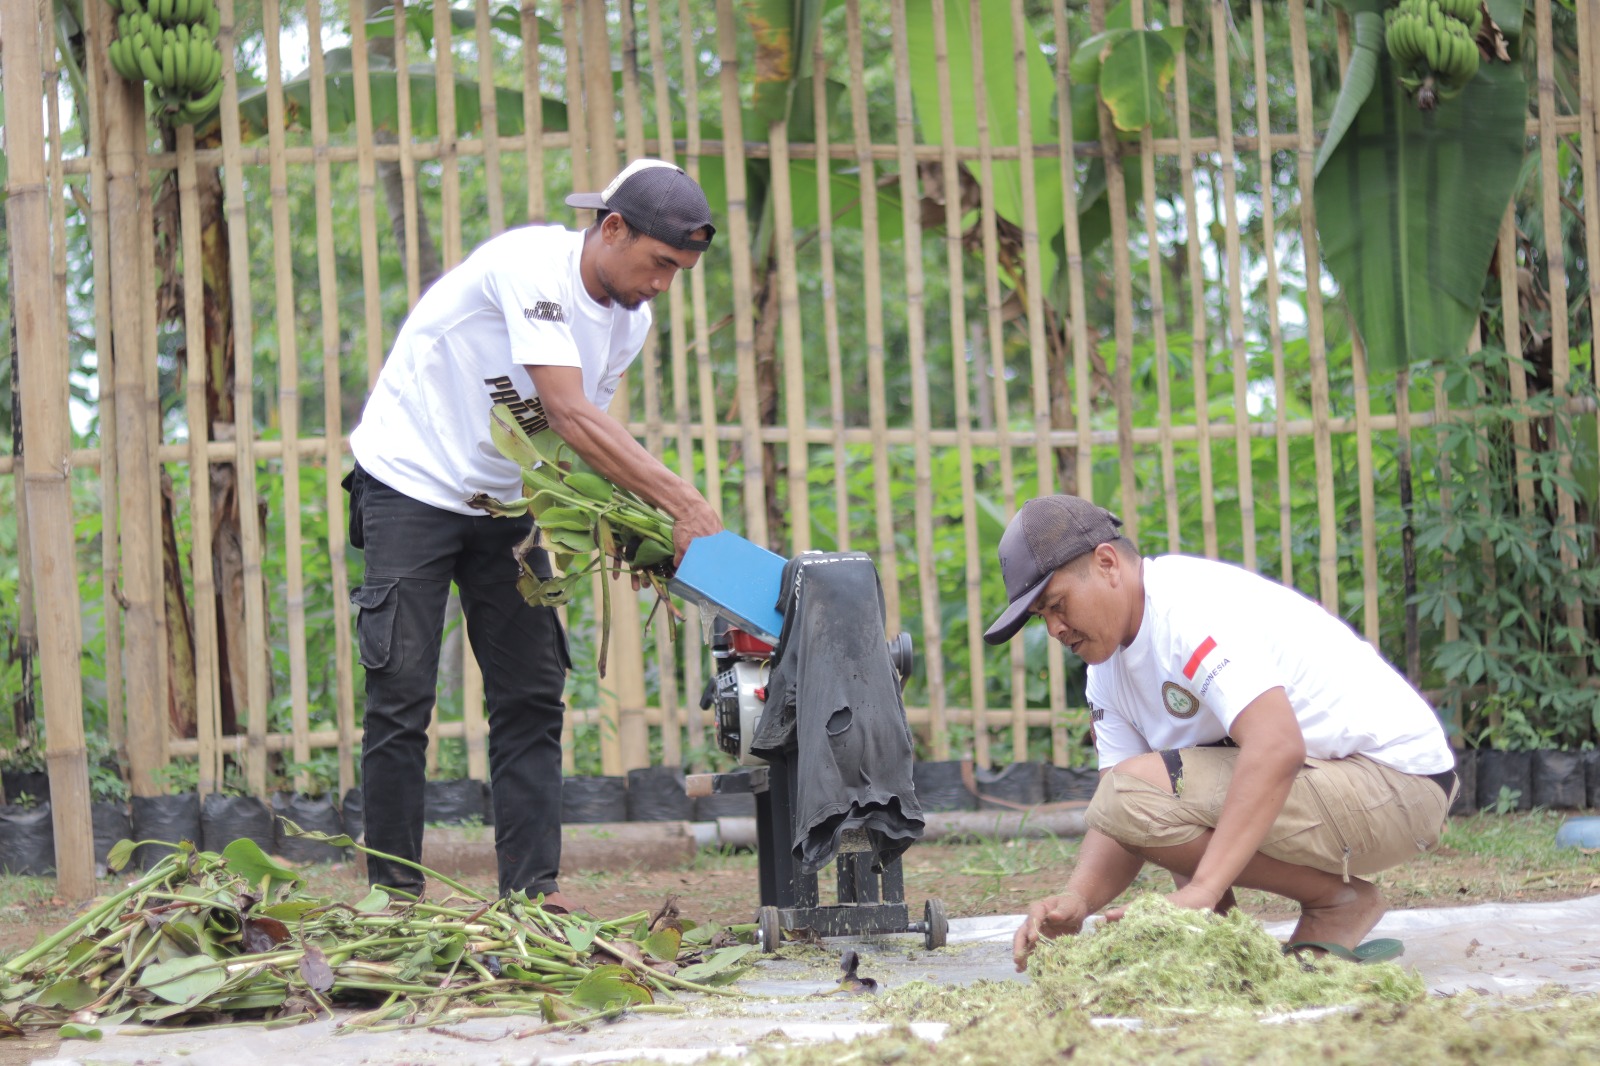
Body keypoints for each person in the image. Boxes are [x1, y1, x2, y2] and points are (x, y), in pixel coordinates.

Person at [345, 159, 724, 907]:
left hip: (506, 503)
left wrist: (623, 529)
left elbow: (572, 450)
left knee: (532, 694)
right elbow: (567, 412)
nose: (662, 284)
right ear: (612, 228)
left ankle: (532, 898)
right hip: (410, 479)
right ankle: (394, 901)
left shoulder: (630, 321)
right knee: (402, 694)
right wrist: (682, 501)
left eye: (678, 273)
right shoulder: (530, 266)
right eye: (658, 263)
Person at [988, 495, 1456, 971]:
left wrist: (1202, 889)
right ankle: (1222, 940)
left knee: (1149, 785)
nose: (1055, 629)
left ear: (1107, 563)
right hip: (1335, 788)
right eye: (1042, 617)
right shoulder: (1105, 669)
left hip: (1398, 786)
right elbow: (1123, 813)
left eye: (1057, 605)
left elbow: (1276, 745)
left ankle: (1335, 903)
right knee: (1144, 790)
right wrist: (1077, 900)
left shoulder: (1185, 608)